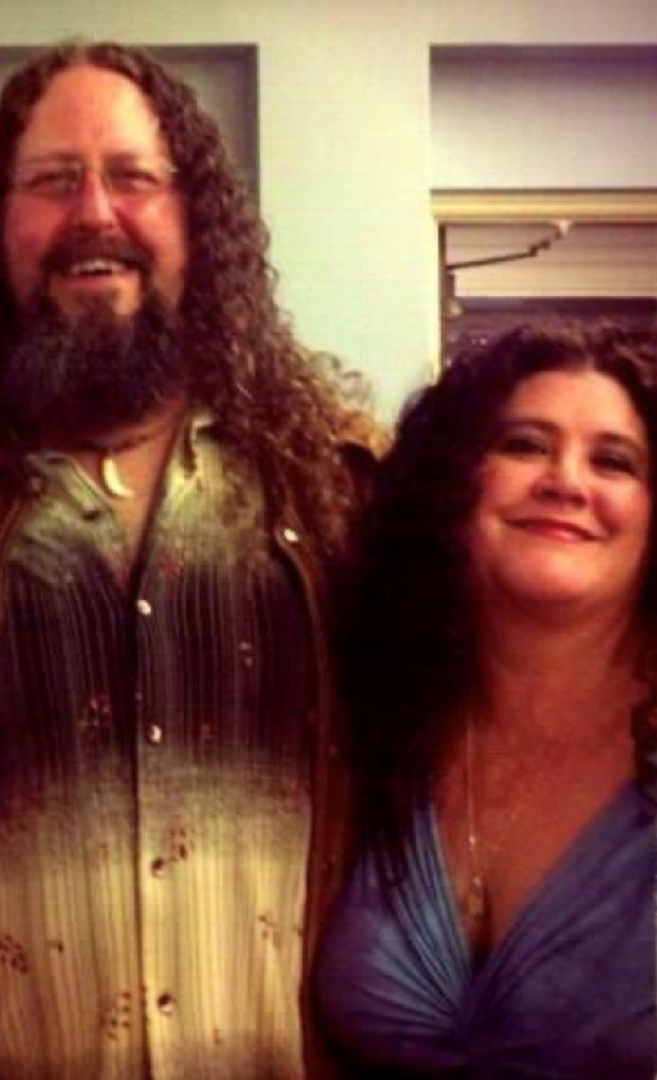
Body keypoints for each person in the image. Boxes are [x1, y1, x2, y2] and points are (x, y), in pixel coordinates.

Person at [0, 40, 360, 1079]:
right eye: (53, 181)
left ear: (196, 222)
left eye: (133, 177)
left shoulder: (336, 497)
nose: (95, 212)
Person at [315, 324, 657, 1077]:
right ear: (453, 485)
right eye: (526, 445)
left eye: (614, 461)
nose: (566, 480)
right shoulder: (376, 729)